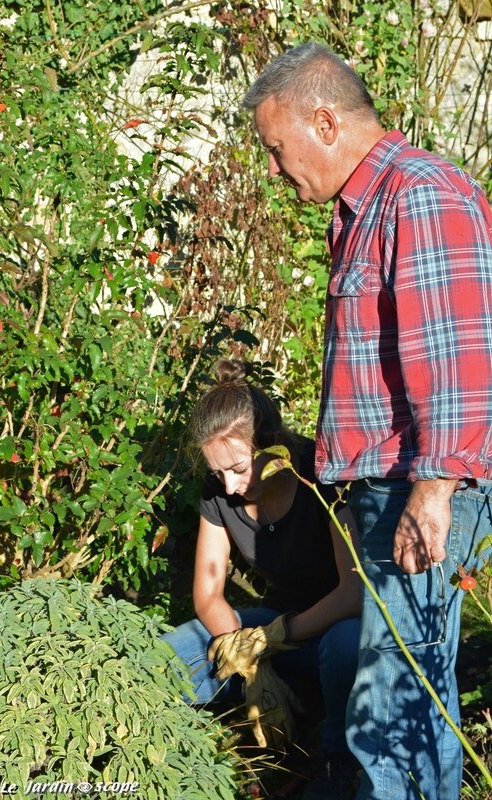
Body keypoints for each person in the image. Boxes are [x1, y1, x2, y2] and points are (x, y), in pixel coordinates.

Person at [242, 41, 492, 800]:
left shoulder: (418, 194)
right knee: (397, 701)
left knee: (393, 708)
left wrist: (433, 491)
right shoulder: (362, 209)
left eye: (277, 150)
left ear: (322, 121)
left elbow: (455, 358)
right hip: (385, 492)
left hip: (416, 493)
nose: (277, 172)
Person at [163, 358, 362, 797]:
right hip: (275, 623)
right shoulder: (219, 493)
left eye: (238, 468)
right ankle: (166, 745)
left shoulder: (318, 471)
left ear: (273, 445)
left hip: (333, 628)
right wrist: (247, 659)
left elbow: (354, 593)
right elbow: (208, 595)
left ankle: (337, 761)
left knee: (348, 643)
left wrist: (271, 637)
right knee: (171, 654)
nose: (229, 486)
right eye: (218, 472)